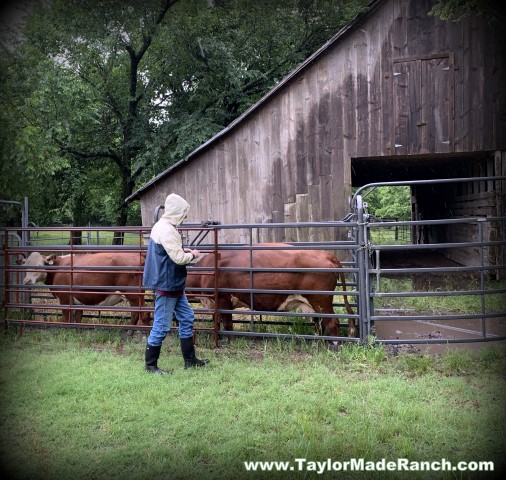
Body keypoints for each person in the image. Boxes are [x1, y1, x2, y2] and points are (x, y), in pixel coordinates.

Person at [142, 193, 209, 374]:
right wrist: (192, 255)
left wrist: (182, 249)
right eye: (183, 213)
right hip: (167, 284)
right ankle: (151, 366)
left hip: (173, 284)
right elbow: (178, 258)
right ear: (176, 212)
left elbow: (168, 251)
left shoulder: (163, 226)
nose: (185, 217)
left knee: (186, 317)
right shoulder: (167, 230)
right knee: (161, 326)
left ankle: (190, 360)